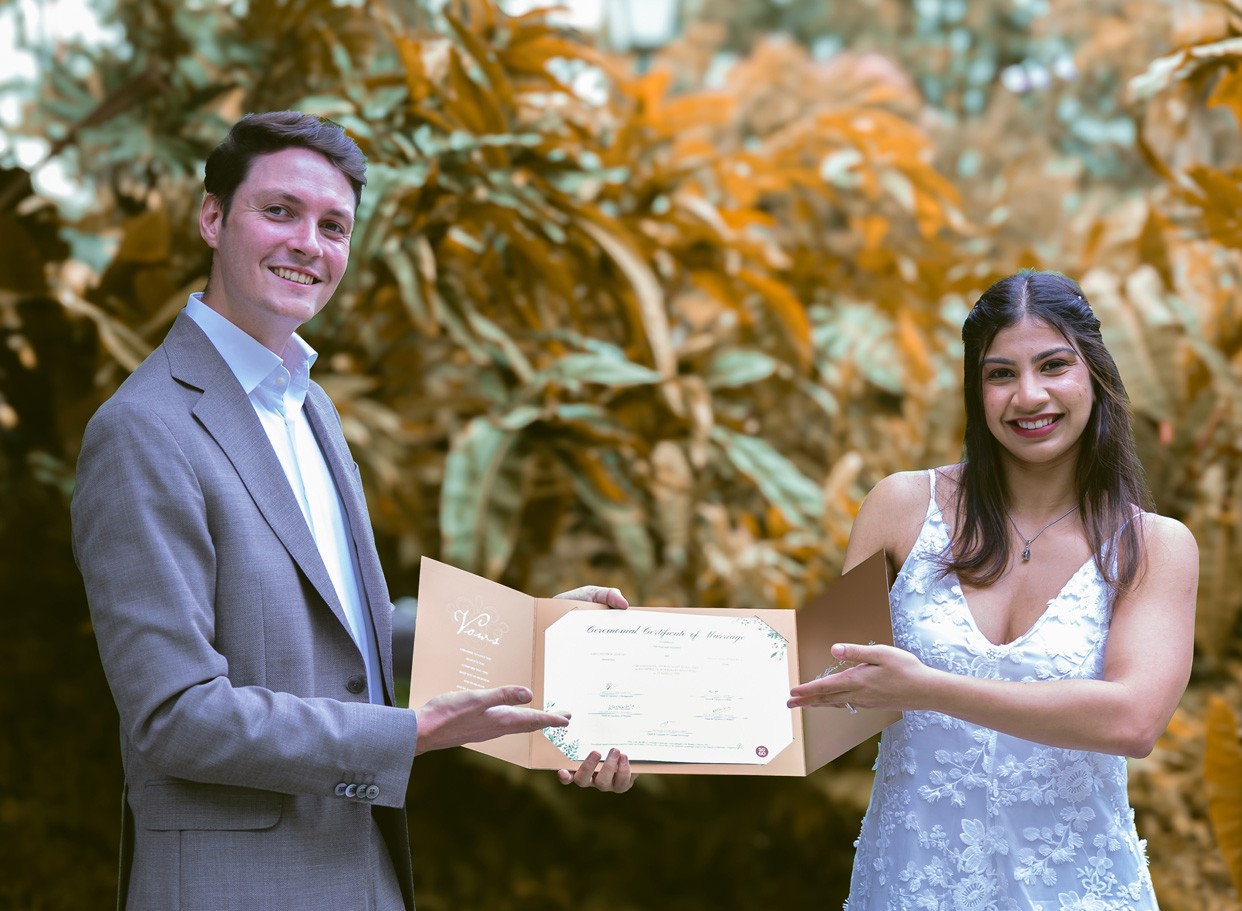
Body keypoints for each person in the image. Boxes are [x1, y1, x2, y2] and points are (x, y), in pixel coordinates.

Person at [71, 111, 633, 911]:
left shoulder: (312, 409)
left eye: (333, 225)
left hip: (361, 871)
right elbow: (176, 714)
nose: (309, 242)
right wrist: (412, 732)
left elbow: (339, 627)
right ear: (211, 217)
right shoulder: (143, 428)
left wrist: (532, 634)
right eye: (279, 211)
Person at [788, 270, 1198, 910]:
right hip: (912, 883)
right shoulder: (901, 507)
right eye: (1000, 374)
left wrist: (926, 688)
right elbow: (812, 690)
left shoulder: (1153, 545)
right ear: (976, 391)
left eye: (1053, 366)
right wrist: (609, 697)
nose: (1028, 395)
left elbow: (1133, 719)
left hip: (1079, 891)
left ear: (1095, 373)